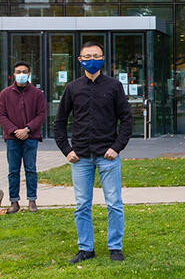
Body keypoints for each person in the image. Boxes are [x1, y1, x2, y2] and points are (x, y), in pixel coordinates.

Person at [53, 41, 133, 264]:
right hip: (80, 158)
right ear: (80, 60)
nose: (91, 59)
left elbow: (127, 120)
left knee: (114, 203)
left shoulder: (114, 86)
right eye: (87, 56)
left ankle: (115, 247)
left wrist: (116, 148)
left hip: (107, 155)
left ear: (103, 59)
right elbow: (59, 123)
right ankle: (86, 248)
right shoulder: (72, 88)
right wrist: (66, 150)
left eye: (96, 55)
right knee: (81, 206)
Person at [0, 61, 46, 213]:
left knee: (30, 169)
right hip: (12, 139)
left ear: (29, 74)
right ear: (13, 74)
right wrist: (14, 131)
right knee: (13, 170)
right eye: (18, 71)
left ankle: (32, 201)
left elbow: (41, 114)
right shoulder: (5, 94)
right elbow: (2, 115)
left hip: (30, 138)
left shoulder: (37, 94)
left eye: (24, 71)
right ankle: (14, 202)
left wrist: (27, 129)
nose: (21, 74)